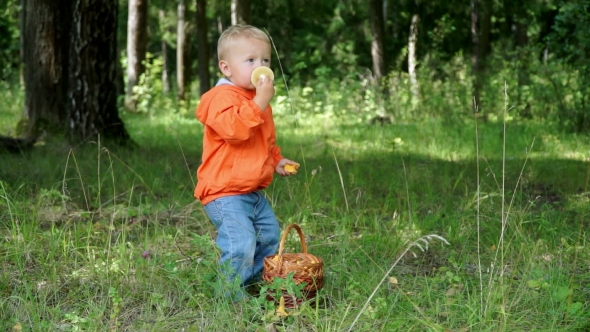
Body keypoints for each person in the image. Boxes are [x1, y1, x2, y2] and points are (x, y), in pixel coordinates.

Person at [194, 24, 298, 301]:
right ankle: (228, 298)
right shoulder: (220, 98)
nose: (259, 67)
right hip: (224, 191)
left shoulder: (256, 101)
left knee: (269, 238)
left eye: (265, 60)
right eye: (250, 60)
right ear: (226, 68)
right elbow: (235, 131)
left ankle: (247, 283)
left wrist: (276, 160)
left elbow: (262, 142)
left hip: (251, 191)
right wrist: (260, 102)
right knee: (240, 243)